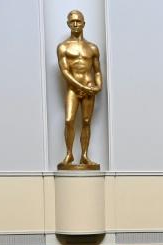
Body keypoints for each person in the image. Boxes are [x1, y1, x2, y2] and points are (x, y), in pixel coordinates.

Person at [57, 10, 103, 169]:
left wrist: (98, 86)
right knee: (69, 120)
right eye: (72, 22)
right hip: (73, 89)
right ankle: (69, 154)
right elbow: (64, 72)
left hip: (89, 88)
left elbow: (97, 71)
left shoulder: (92, 47)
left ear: (84, 23)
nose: (75, 24)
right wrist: (81, 87)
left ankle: (84, 155)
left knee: (86, 121)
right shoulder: (63, 47)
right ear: (68, 24)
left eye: (78, 21)